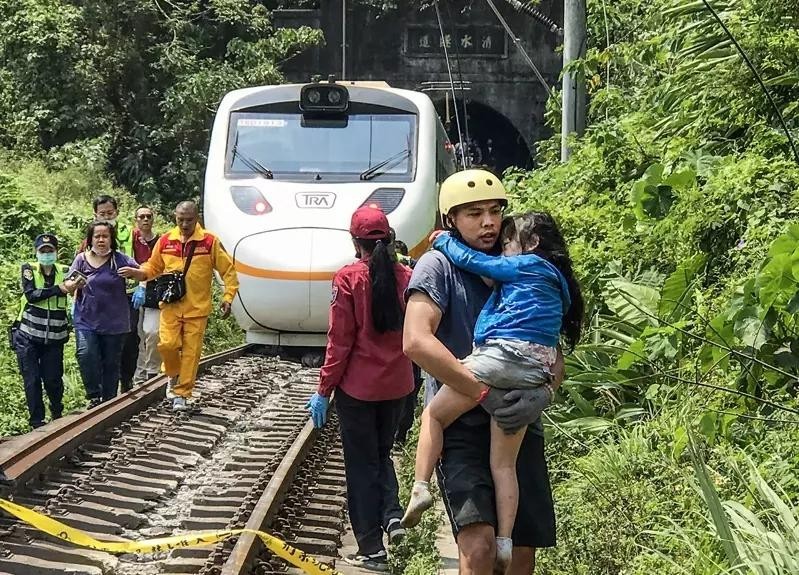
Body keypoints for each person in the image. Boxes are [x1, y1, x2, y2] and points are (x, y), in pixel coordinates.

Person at [403, 169, 565, 575]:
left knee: (522, 554)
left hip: (516, 418)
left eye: (495, 211)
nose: (488, 222)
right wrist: (480, 392)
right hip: (461, 425)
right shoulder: (438, 266)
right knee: (479, 547)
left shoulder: (518, 264)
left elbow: (551, 350)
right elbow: (416, 341)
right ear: (451, 220)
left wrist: (543, 395)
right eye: (474, 213)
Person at [305, 206, 414, 571]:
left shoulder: (348, 279)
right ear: (389, 237)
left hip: (359, 391)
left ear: (355, 241)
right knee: (382, 455)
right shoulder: (409, 277)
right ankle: (393, 515)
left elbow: (340, 342)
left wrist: (324, 390)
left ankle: (371, 549)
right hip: (399, 386)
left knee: (361, 466)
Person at [119, 201, 239, 411]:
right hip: (171, 306)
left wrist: (228, 297)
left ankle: (181, 394)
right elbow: (154, 267)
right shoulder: (166, 241)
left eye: (189, 220)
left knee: (191, 353)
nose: (184, 224)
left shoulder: (209, 242)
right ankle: (172, 374)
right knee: (167, 345)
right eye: (180, 219)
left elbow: (228, 271)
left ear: (197, 217)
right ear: (175, 217)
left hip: (197, 309)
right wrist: (139, 273)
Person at [70, 221, 139, 407]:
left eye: (105, 236)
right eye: (97, 236)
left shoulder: (120, 259)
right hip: (86, 319)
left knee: (111, 363)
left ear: (111, 238)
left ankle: (108, 402)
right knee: (86, 354)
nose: (101, 240)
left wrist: (134, 273)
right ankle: (94, 395)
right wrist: (73, 285)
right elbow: (69, 283)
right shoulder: (81, 259)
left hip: (115, 322)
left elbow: (143, 273)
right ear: (90, 239)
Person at [12, 234, 77, 429]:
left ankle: (57, 414)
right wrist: (60, 289)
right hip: (28, 336)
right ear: (36, 252)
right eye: (43, 251)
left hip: (54, 338)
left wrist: (72, 289)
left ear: (56, 252)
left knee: (53, 380)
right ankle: (36, 423)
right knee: (32, 380)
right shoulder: (29, 269)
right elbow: (31, 295)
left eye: (50, 251)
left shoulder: (66, 271)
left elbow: (77, 292)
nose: (47, 254)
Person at [81, 195, 138, 393]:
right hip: (97, 304)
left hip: (129, 295)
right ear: (95, 215)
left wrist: (141, 282)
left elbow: (147, 264)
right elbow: (77, 273)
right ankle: (102, 393)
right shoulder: (89, 241)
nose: (106, 216)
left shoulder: (132, 234)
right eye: (102, 213)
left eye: (109, 213)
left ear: (117, 212)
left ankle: (126, 381)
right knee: (94, 351)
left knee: (128, 344)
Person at [391, 238, 422, 448]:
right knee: (408, 391)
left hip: (403, 342)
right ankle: (399, 435)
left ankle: (398, 434)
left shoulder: (410, 272)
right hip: (409, 341)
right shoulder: (412, 272)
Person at [131, 206, 162, 384]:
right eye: (141, 216)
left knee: (152, 331)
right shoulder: (131, 240)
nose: (145, 220)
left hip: (153, 292)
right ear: (136, 219)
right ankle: (139, 375)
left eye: (148, 216)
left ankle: (152, 369)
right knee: (137, 335)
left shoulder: (160, 241)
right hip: (131, 291)